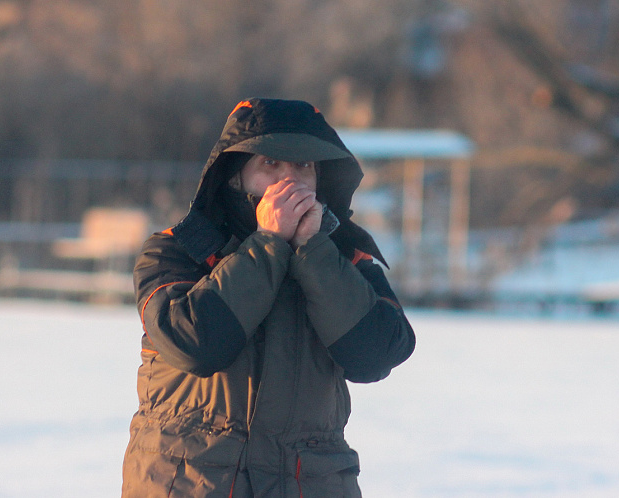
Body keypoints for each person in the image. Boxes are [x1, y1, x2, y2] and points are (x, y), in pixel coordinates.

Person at [122, 98, 415, 497]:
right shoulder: (178, 250)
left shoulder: (347, 257)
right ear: (234, 175)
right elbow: (196, 344)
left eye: (304, 167)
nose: (289, 182)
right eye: (270, 165)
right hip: (193, 484)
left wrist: (314, 252)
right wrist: (267, 244)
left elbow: (376, 354)